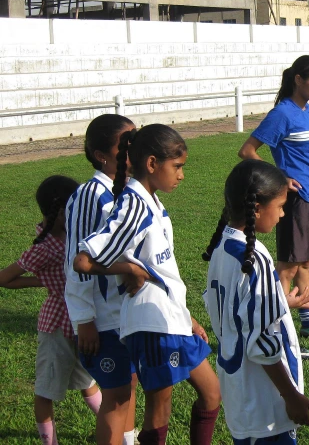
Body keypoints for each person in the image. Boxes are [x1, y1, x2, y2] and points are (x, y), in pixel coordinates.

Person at [73, 124, 221, 445]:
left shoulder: (153, 202)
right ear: (152, 164)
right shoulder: (133, 206)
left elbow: (162, 269)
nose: (181, 175)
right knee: (160, 407)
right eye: (177, 167)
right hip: (151, 324)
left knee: (211, 394)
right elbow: (83, 260)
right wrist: (127, 266)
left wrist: (187, 316)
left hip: (171, 316)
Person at [202, 160, 309, 444]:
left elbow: (234, 310)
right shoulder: (254, 258)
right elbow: (260, 340)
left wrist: (279, 303)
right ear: (256, 208)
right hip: (264, 399)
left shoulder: (222, 248)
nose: (282, 214)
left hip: (238, 388)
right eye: (280, 206)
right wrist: (291, 396)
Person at [0, 175, 102, 445]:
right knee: (67, 386)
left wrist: (45, 280)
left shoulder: (59, 242)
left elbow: (5, 279)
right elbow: (5, 278)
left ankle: (67, 439)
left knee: (66, 387)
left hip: (69, 324)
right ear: (63, 213)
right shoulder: (61, 244)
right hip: (71, 325)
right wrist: (46, 280)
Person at [238, 55, 309, 346]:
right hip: (296, 198)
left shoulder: (308, 112)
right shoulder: (282, 113)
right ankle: (272, 323)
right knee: (288, 265)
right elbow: (248, 151)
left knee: (305, 262)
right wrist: (280, 177)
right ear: (298, 80)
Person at [64, 114, 138, 445]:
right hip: (103, 317)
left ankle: (129, 439)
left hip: (128, 312)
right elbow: (76, 262)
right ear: (101, 155)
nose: (133, 151)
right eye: (125, 145)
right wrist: (84, 320)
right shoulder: (89, 195)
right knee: (115, 394)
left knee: (130, 384)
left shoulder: (128, 192)